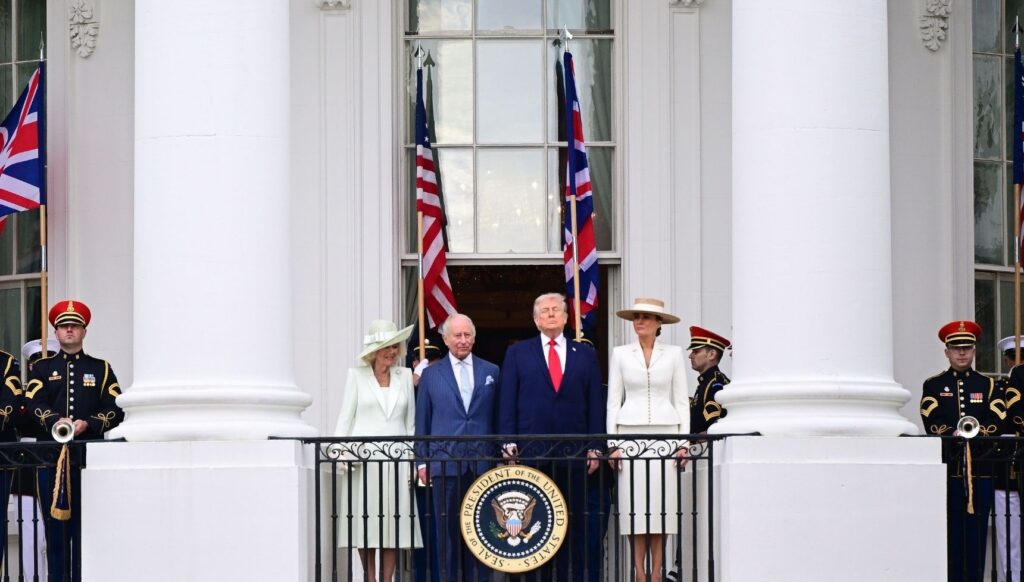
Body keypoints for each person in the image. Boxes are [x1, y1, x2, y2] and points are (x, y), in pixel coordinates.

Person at [498, 292, 605, 582]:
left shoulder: (584, 354)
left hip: (575, 454)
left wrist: (596, 446)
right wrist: (508, 443)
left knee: (575, 523)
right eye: (544, 311)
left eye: (556, 310)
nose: (550, 314)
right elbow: (507, 400)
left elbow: (595, 402)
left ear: (567, 317)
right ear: (535, 320)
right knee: (536, 525)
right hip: (533, 454)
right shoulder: (518, 353)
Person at [25, 300, 125, 582]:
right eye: (63, 326)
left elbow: (116, 407)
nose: (69, 330)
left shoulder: (101, 368)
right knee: (56, 535)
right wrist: (55, 420)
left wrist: (89, 424)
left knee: (87, 532)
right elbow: (32, 401)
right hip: (51, 461)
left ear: (83, 332)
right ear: (56, 333)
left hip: (88, 461)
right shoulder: (43, 368)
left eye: (75, 326)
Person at [606, 298, 689, 582]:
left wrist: (683, 443)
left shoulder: (675, 354)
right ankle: (639, 573)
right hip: (629, 435)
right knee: (634, 509)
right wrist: (613, 445)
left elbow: (680, 400)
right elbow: (613, 401)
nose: (639, 321)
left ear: (658, 323)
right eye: (636, 317)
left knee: (661, 508)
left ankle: (657, 573)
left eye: (645, 317)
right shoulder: (620, 354)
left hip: (666, 434)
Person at [333, 319, 422, 582]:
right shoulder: (356, 376)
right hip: (363, 462)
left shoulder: (405, 376)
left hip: (396, 461)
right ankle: (369, 578)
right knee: (366, 522)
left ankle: (387, 580)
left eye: (395, 346)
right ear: (374, 350)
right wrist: (342, 453)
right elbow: (344, 419)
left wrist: (411, 462)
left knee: (393, 525)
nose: (392, 352)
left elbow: (411, 424)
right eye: (386, 347)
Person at [415, 313, 499, 582]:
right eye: (457, 336)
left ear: (474, 337)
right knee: (446, 534)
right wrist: (422, 461)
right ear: (446, 338)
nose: (463, 341)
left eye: (467, 335)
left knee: (482, 532)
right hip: (444, 463)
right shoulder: (430, 375)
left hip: (482, 464)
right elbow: (422, 421)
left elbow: (498, 418)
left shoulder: (491, 371)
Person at [921, 320, 1006, 582]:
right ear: (946, 352)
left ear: (974, 351)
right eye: (956, 348)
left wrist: (979, 433)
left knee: (977, 535)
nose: (961, 353)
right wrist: (951, 432)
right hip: (949, 471)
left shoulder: (989, 385)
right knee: (950, 534)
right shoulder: (934, 385)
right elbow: (929, 415)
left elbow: (999, 415)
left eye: (967, 348)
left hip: (980, 471)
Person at [14, 338, 59, 580]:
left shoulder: (59, 393)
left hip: (55, 458)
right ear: (31, 367)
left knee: (58, 529)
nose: (39, 367)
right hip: (28, 460)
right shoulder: (19, 394)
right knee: (29, 531)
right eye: (35, 363)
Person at [997, 335, 1024, 582]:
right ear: (1006, 361)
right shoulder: (1001, 388)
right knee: (1011, 535)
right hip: (1012, 465)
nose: (1019, 362)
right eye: (1015, 358)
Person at [687, 326, 731, 434]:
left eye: (696, 351)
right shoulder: (706, 382)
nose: (690, 356)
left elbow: (712, 427)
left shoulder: (716, 383)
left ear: (711, 354)